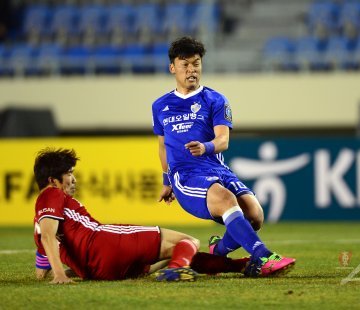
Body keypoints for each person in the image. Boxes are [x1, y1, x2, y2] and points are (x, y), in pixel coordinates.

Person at [151, 36, 295, 277]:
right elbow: (162, 146)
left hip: (217, 169)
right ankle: (263, 257)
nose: (191, 70)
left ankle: (218, 250)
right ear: (172, 68)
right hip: (186, 174)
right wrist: (167, 182)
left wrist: (206, 147)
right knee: (227, 199)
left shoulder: (215, 99)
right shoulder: (160, 105)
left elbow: (223, 140)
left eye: (196, 64)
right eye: (185, 64)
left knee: (255, 216)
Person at [33, 147, 249, 284]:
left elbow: (42, 262)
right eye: (69, 173)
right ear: (53, 180)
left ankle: (240, 265)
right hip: (105, 243)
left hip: (98, 270)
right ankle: (179, 269)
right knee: (187, 241)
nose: (74, 179)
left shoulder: (40, 221)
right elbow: (48, 237)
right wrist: (60, 275)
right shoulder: (51, 194)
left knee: (173, 253)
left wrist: (63, 271)